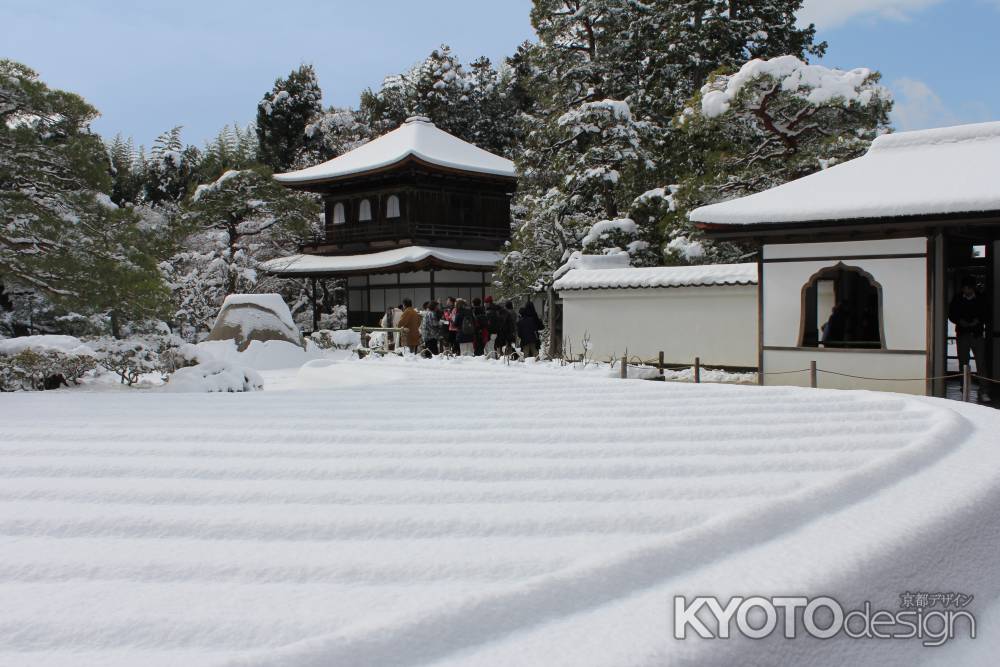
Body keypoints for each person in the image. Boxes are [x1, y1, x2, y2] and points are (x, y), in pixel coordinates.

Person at [949, 276, 991, 402]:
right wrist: (960, 321)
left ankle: (984, 391)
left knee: (981, 363)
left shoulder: (981, 298)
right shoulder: (957, 298)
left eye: (968, 288)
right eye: (964, 288)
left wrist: (977, 321)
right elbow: (951, 314)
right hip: (962, 334)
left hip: (977, 334)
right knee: (963, 363)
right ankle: (964, 389)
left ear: (972, 288)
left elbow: (987, 313)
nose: (966, 290)